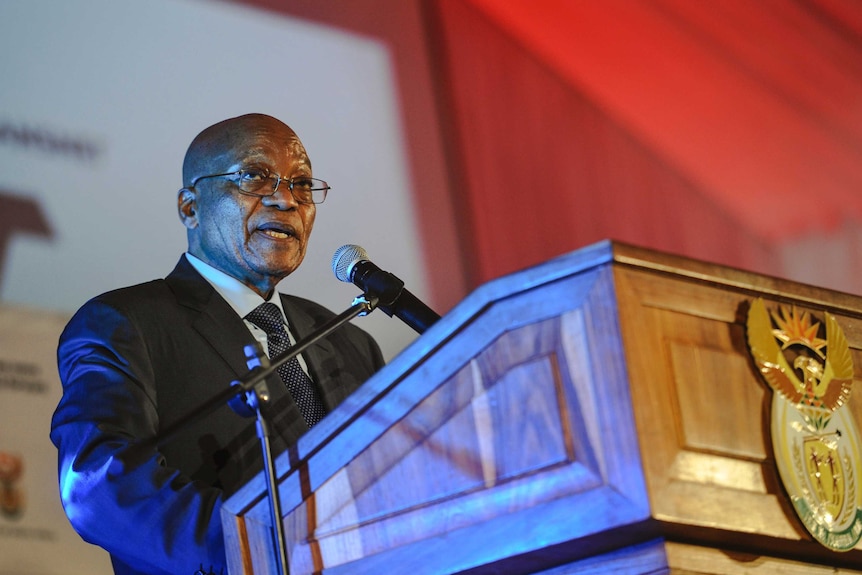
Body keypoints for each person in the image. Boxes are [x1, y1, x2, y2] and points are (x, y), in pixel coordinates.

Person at [50, 114, 385, 575]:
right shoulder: (125, 323)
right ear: (190, 207)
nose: (286, 198)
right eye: (253, 175)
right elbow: (98, 484)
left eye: (303, 184)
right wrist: (258, 552)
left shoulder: (351, 342)